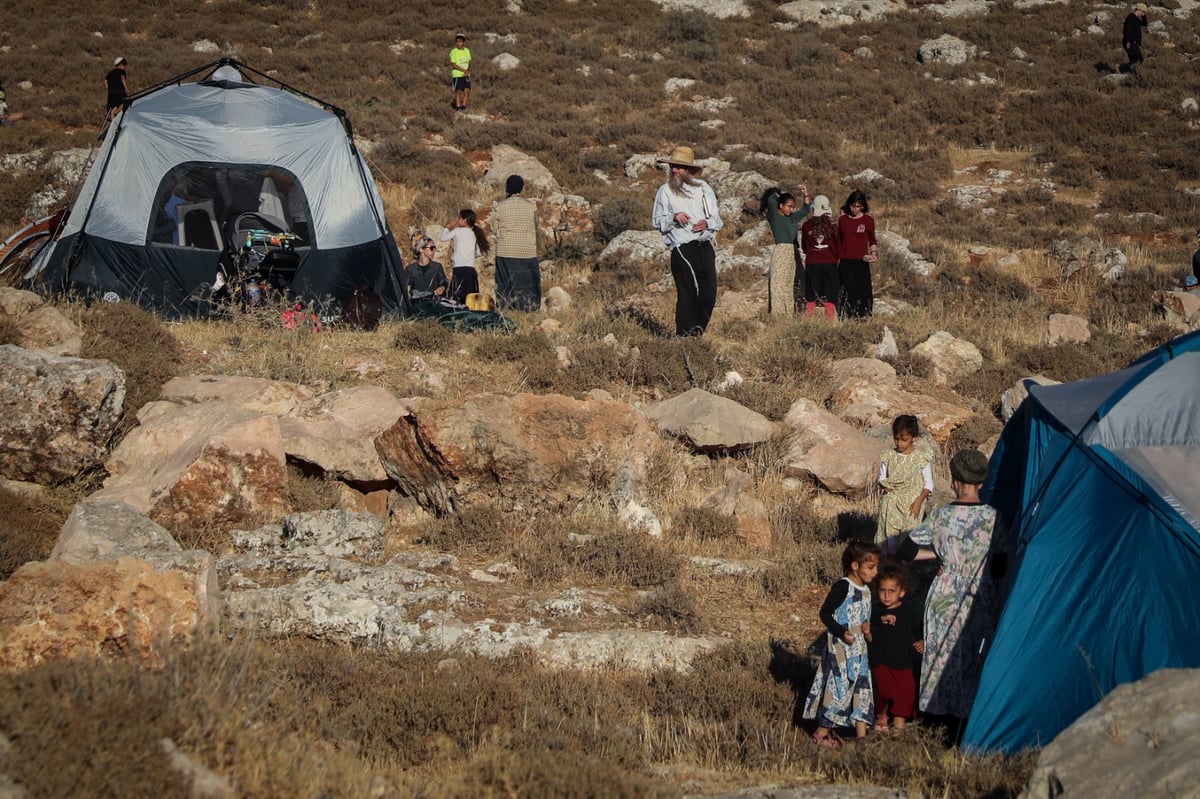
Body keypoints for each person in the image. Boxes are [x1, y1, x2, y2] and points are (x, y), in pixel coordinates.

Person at [900, 449, 1006, 746]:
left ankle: (936, 725)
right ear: (981, 483)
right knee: (972, 658)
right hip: (978, 598)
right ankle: (967, 728)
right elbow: (999, 566)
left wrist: (938, 555)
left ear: (956, 480)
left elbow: (905, 550)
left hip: (944, 596)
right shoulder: (993, 518)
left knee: (939, 656)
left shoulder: (941, 516)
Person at [803, 539, 879, 748]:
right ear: (855, 565)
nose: (875, 573)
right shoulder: (843, 586)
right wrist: (842, 632)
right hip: (841, 653)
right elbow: (825, 614)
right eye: (870, 567)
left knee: (863, 691)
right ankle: (822, 733)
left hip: (860, 652)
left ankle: (862, 739)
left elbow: (865, 621)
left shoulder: (866, 591)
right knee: (839, 691)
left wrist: (867, 633)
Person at [651, 146, 724, 337]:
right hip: (682, 246)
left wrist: (706, 222)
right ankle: (684, 337)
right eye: (673, 166)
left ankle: (697, 333)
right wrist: (673, 217)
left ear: (689, 170)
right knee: (688, 294)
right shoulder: (665, 191)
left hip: (705, 245)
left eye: (679, 167)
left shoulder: (703, 189)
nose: (674, 170)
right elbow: (657, 220)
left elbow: (717, 219)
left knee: (709, 294)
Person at [866, 561, 924, 732]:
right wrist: (873, 627)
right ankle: (881, 724)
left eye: (891, 591)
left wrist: (921, 642)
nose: (886, 595)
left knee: (903, 699)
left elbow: (918, 631)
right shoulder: (875, 611)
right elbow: (870, 635)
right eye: (882, 590)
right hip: (881, 662)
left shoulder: (909, 611)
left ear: (902, 592)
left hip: (904, 664)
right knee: (883, 694)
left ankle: (898, 737)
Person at [875, 414, 933, 556]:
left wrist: (919, 502)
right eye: (896, 439)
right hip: (893, 503)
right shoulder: (889, 456)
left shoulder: (920, 458)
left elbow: (929, 483)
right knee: (890, 537)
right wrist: (885, 488)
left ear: (913, 438)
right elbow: (882, 477)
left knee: (908, 538)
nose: (899, 443)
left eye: (904, 440)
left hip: (912, 503)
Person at [490, 174, 542, 312]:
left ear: (507, 188)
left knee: (505, 283)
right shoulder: (531, 207)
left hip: (506, 249)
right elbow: (535, 224)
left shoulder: (499, 207)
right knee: (527, 282)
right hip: (527, 250)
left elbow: (494, 228)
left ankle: (506, 310)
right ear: (522, 188)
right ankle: (529, 309)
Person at [759, 185, 811, 317]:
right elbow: (770, 201)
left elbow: (805, 210)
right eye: (788, 206)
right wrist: (777, 193)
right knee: (778, 284)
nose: (791, 209)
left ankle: (788, 314)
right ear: (780, 205)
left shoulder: (792, 218)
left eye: (792, 206)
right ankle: (777, 314)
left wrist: (805, 195)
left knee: (788, 284)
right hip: (781, 251)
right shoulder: (775, 217)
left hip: (792, 252)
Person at [837, 190, 878, 319]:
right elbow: (838, 240)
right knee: (848, 289)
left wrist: (873, 253)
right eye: (853, 205)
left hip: (862, 260)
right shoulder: (843, 220)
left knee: (864, 290)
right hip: (845, 260)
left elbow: (872, 239)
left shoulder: (868, 220)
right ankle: (847, 315)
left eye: (858, 206)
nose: (855, 209)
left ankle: (864, 315)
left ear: (863, 206)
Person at [799, 195, 840, 320]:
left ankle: (808, 322)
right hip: (829, 263)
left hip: (812, 264)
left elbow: (804, 247)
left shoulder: (806, 226)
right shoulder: (832, 226)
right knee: (830, 297)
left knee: (811, 296)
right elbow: (838, 245)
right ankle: (830, 323)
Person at [440, 209, 489, 305]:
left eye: (460, 218)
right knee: (471, 298)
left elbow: (443, 238)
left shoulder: (457, 231)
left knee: (456, 296)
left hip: (459, 267)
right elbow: (478, 252)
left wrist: (447, 228)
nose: (458, 220)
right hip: (470, 269)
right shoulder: (474, 233)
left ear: (465, 220)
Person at [404, 236, 450, 304]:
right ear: (421, 249)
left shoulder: (437, 267)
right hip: (418, 303)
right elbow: (403, 286)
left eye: (434, 248)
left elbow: (444, 281)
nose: (434, 251)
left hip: (434, 303)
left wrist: (442, 288)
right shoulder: (410, 269)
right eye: (431, 248)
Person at [1121, 3, 1148, 75]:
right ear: (1139, 10)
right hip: (1130, 42)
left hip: (1133, 42)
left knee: (1133, 59)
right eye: (1143, 12)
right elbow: (1127, 30)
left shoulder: (1136, 19)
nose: (1143, 14)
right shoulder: (1131, 17)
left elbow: (1145, 23)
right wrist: (1128, 41)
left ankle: (1129, 73)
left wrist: (1144, 15)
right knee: (1139, 59)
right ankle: (1123, 69)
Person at [449, 33, 471, 111]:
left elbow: (469, 62)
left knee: (467, 91)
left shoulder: (467, 51)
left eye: (460, 42)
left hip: (466, 75)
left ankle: (464, 107)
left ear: (463, 42)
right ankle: (458, 107)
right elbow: (453, 64)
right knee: (458, 91)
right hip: (457, 75)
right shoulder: (453, 52)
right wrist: (463, 70)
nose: (459, 43)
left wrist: (467, 70)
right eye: (457, 42)